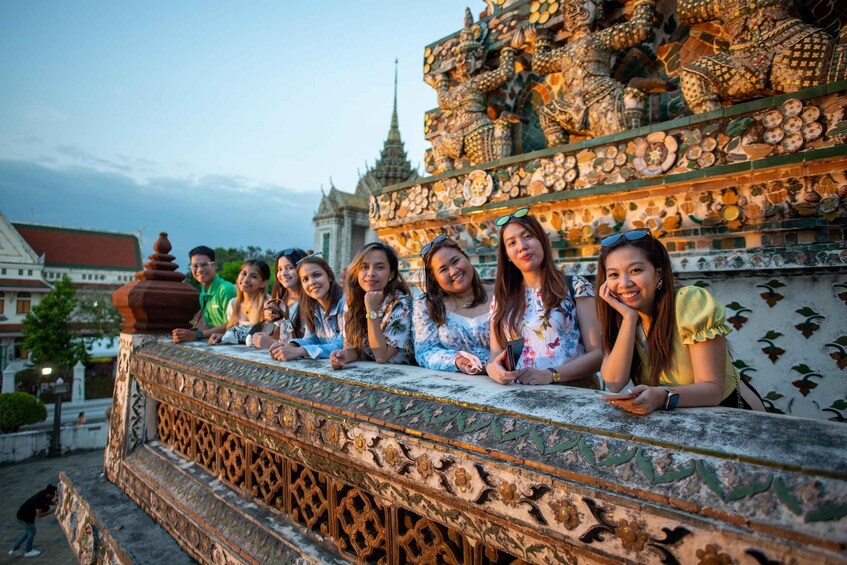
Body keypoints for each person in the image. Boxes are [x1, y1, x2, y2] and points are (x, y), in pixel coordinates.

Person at [596, 229, 766, 414]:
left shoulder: (689, 302)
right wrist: (629, 319)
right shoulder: (620, 317)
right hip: (682, 422)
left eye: (636, 270)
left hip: (731, 413)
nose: (625, 283)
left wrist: (662, 396)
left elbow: (712, 390)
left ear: (658, 274)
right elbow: (614, 382)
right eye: (614, 275)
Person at [486, 207, 603, 386]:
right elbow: (495, 354)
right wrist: (493, 369)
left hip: (572, 391)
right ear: (507, 256)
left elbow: (597, 354)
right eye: (511, 243)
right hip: (521, 395)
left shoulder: (576, 286)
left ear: (542, 240)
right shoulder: (502, 299)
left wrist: (551, 374)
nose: (522, 247)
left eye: (527, 236)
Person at [413, 235, 492, 374]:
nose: (454, 271)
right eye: (443, 269)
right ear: (434, 278)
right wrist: (456, 360)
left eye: (456, 261)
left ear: (466, 258)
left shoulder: (500, 294)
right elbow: (424, 351)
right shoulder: (427, 305)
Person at [330, 243, 414, 369]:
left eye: (379, 267)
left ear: (391, 274)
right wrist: (344, 355)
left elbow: (382, 356)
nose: (370, 273)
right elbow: (353, 348)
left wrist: (371, 310)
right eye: (364, 267)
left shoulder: (401, 304)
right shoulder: (353, 301)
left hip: (401, 373)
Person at [270, 254, 344, 360]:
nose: (312, 282)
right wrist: (291, 346)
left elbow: (344, 345)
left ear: (330, 276)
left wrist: (300, 351)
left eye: (317, 275)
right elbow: (311, 339)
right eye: (305, 279)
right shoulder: (311, 306)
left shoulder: (345, 303)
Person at [172, 246, 236, 343]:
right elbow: (210, 325)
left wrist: (197, 335)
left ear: (214, 266)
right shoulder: (203, 293)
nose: (199, 270)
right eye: (195, 266)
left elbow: (233, 325)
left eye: (204, 265)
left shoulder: (226, 290)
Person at [252, 248, 308, 350]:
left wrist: (271, 343)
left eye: (290, 268)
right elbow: (277, 334)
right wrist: (269, 318)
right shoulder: (280, 297)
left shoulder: (309, 302)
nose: (283, 273)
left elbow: (308, 340)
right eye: (280, 269)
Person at [209, 260, 271, 345]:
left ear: (263, 283)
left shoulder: (268, 306)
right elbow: (236, 333)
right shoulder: (233, 304)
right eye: (244, 274)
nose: (245, 280)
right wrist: (223, 337)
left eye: (253, 277)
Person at [8, 484, 57, 558]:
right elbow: (39, 515)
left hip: (22, 515)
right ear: (49, 494)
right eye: (54, 494)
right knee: (32, 531)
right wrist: (53, 510)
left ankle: (14, 549)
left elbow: (48, 500)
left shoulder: (44, 493)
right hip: (24, 518)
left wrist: (55, 503)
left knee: (28, 532)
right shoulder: (39, 501)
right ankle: (28, 551)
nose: (55, 496)